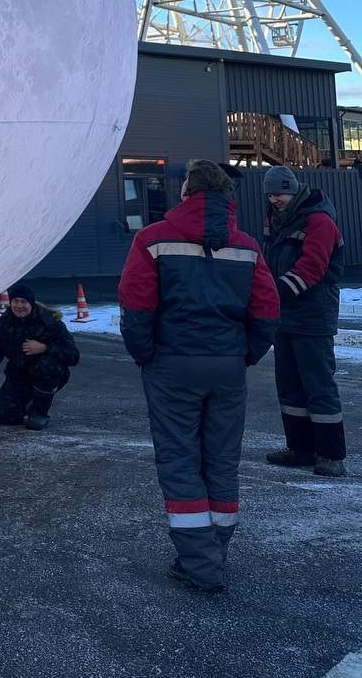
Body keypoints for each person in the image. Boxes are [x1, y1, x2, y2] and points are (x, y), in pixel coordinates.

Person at [118, 158, 280, 594]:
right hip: (227, 366)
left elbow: (136, 306)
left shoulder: (152, 239)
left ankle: (202, 563)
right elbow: (267, 310)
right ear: (226, 195)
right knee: (221, 461)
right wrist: (243, 355)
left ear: (187, 192)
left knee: (179, 459)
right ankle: (213, 550)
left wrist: (146, 355)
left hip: (173, 364)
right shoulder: (246, 246)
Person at [261, 165, 347, 478]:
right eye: (270, 194)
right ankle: (300, 448)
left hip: (313, 316)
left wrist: (273, 292)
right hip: (285, 317)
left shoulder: (318, 220)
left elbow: (313, 267)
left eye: (279, 193)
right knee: (290, 386)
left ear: (292, 189)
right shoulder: (277, 219)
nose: (274, 199)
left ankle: (331, 455)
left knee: (318, 385)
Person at [0, 284, 79, 428]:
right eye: (15, 301)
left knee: (46, 366)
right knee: (1, 415)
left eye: (24, 302)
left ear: (31, 303)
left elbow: (73, 356)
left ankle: (39, 412)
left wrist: (45, 348)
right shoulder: (3, 326)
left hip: (48, 373)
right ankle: (28, 403)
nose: (19, 306)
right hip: (19, 376)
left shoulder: (50, 323)